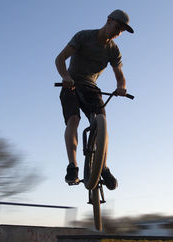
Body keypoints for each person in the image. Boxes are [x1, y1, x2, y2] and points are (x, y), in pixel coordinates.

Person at [55, 9, 134, 189]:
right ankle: (72, 166)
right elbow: (60, 58)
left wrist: (121, 87)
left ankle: (103, 167)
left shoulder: (113, 50)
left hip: (92, 88)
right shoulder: (83, 37)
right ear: (108, 21)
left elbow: (120, 76)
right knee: (73, 119)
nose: (118, 32)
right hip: (71, 84)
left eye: (122, 30)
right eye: (117, 26)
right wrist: (66, 76)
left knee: (102, 124)